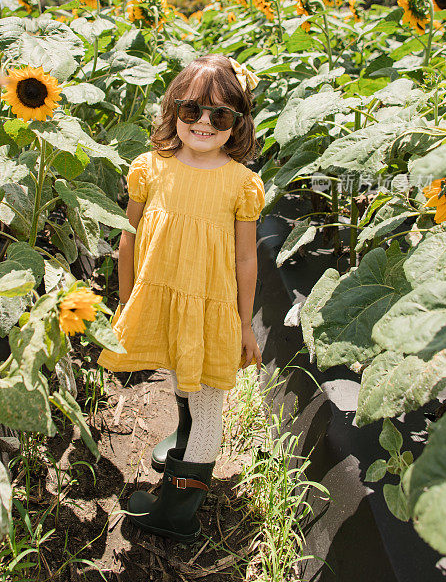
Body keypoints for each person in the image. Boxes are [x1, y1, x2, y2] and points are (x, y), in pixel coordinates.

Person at [97, 53, 265, 544]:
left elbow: (247, 261)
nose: (205, 123)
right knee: (178, 370)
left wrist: (244, 323)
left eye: (221, 115)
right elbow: (128, 236)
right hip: (165, 298)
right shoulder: (150, 168)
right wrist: (128, 300)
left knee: (208, 405)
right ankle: (181, 438)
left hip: (212, 308)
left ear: (238, 124)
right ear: (173, 112)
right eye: (193, 111)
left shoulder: (241, 183)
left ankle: (178, 509)